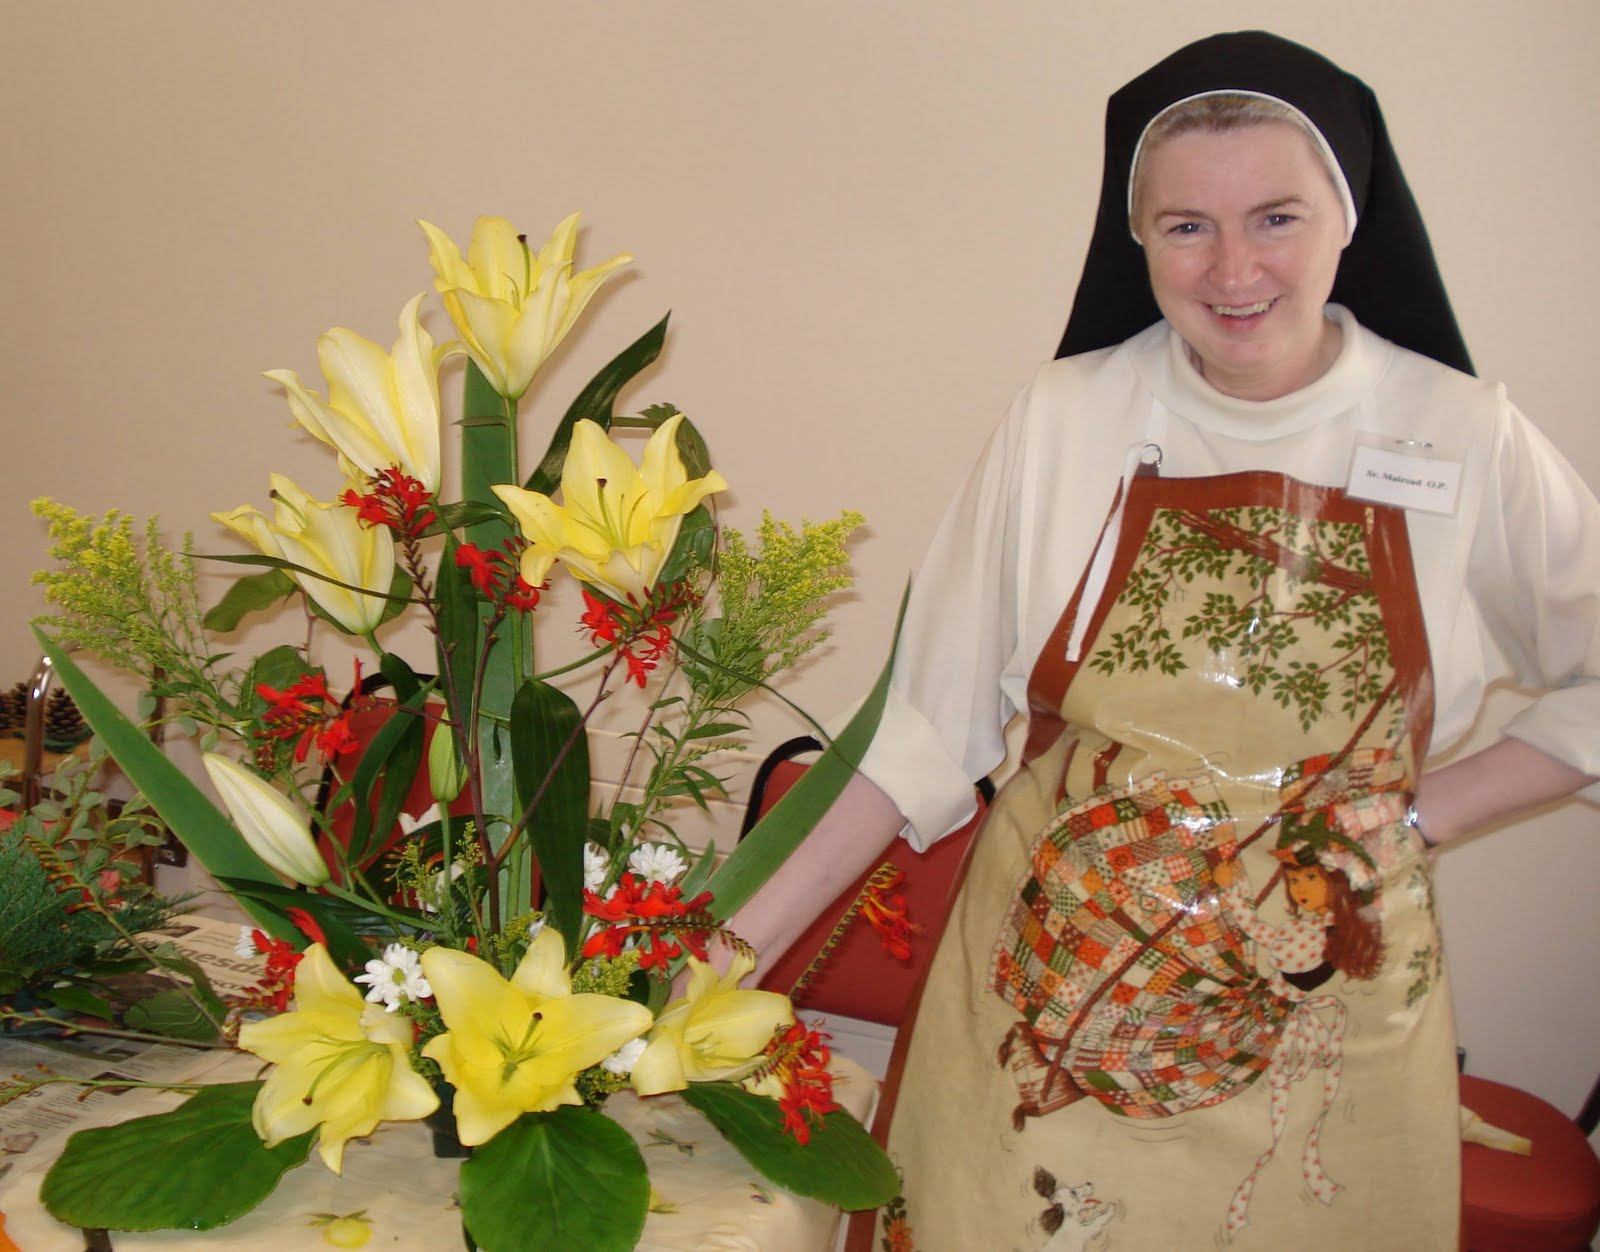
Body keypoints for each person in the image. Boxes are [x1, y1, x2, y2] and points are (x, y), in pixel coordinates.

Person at [732, 30, 1600, 1250]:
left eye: (1278, 217)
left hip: (1321, 1023)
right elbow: (915, 732)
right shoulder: (1064, 415)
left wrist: (1423, 812)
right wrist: (723, 951)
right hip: (1049, 1017)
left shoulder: (1460, 431)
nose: (1233, 267)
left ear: (1350, 223)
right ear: (1132, 237)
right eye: (1185, 225)